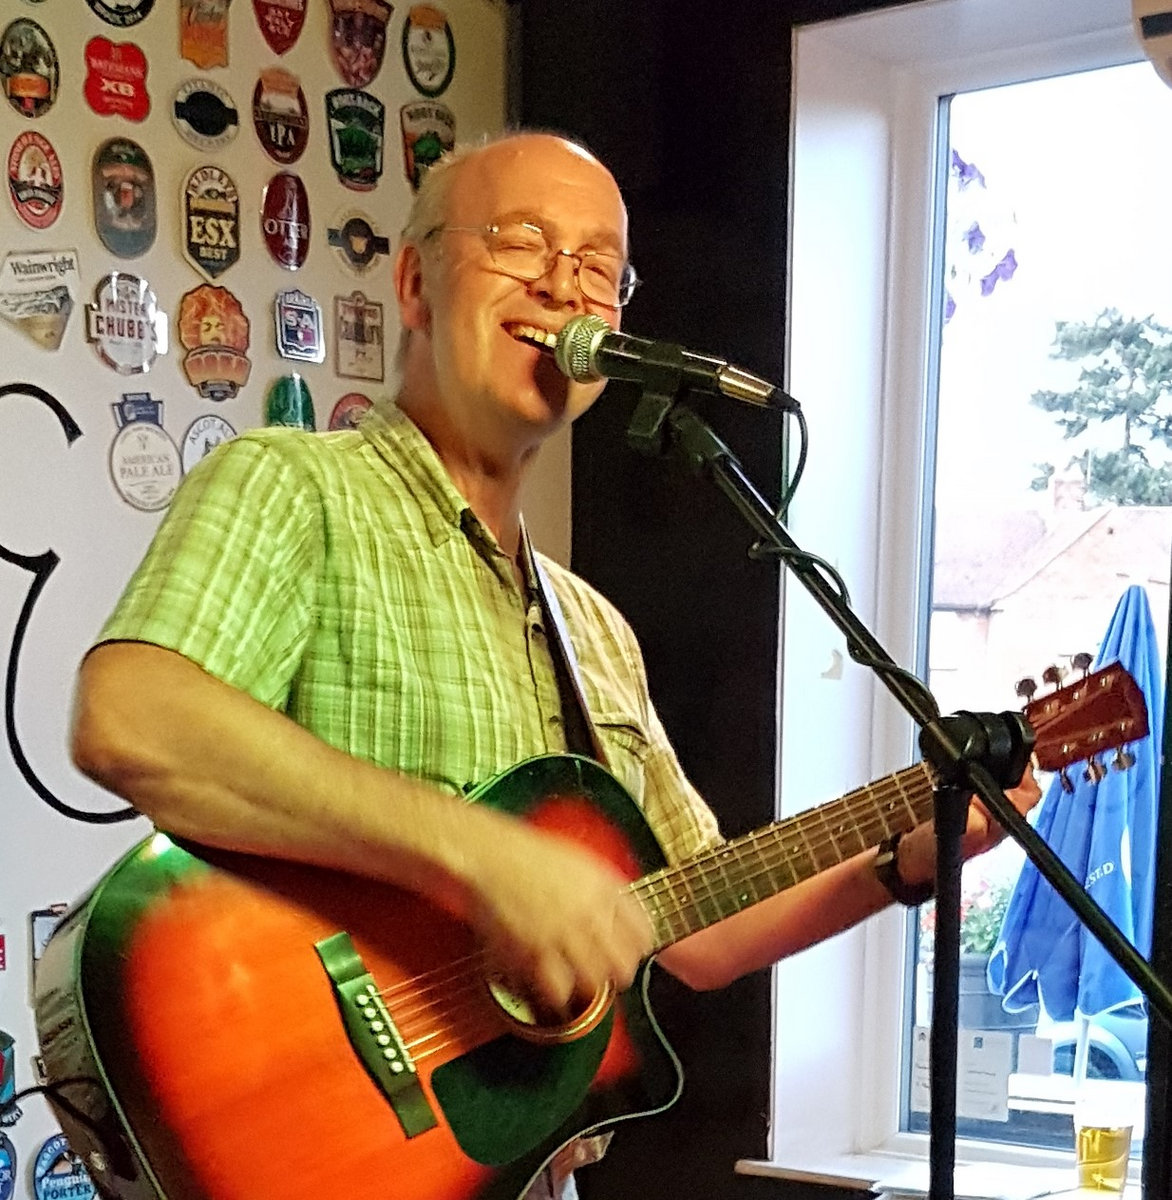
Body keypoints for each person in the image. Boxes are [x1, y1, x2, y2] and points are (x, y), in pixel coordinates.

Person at [70, 131, 1040, 1197]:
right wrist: (486, 858)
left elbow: (695, 926)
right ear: (413, 282)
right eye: (520, 240)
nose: (562, 283)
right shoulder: (295, 487)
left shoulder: (593, 627)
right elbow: (132, 716)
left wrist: (898, 864)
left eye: (598, 266)